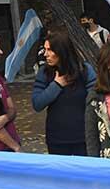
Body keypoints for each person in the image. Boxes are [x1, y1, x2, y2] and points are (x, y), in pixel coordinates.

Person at [31, 28, 96, 156]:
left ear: (62, 51)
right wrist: (56, 84)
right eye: (45, 49)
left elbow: (95, 101)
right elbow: (37, 104)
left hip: (83, 138)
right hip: (57, 139)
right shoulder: (44, 72)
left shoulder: (85, 70)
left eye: (50, 50)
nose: (45, 54)